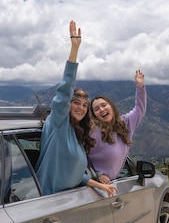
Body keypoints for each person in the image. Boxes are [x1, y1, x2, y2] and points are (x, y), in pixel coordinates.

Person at [35, 20, 117, 197]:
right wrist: (75, 49)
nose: (81, 108)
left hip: (68, 202)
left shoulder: (76, 134)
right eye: (76, 102)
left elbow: (74, 175)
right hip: (47, 201)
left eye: (85, 106)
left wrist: (100, 185)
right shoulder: (58, 124)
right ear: (68, 104)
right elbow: (64, 91)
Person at [88, 69, 147, 182]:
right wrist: (96, 175)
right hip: (95, 186)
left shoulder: (125, 123)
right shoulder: (94, 131)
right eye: (96, 109)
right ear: (94, 115)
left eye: (104, 105)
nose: (101, 109)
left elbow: (140, 110)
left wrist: (140, 87)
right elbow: (81, 156)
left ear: (111, 106)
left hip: (111, 185)